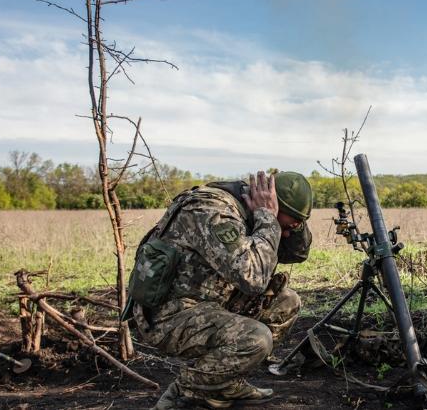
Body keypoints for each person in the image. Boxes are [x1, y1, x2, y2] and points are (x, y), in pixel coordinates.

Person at [127, 170, 312, 409]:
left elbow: (297, 254)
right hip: (169, 314)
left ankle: (220, 382)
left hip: (208, 300)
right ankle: (187, 390)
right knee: (254, 339)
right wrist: (267, 217)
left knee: (285, 302)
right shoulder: (213, 211)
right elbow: (253, 278)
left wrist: (289, 225)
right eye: (286, 226)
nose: (286, 233)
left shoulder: (248, 212)